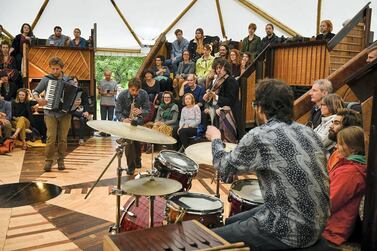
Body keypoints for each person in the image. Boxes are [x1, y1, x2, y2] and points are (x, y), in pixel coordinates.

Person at [205, 78, 329, 250]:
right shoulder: (309, 133)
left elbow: (224, 167)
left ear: (260, 108)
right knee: (233, 220)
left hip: (289, 230)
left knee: (211, 239)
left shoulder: (260, 135)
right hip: (316, 224)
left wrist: (216, 139)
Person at [33, 57, 78, 172]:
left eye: (57, 69)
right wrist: (39, 100)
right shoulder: (46, 79)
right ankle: (48, 160)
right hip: (50, 112)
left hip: (65, 114)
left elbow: (76, 96)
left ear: (62, 68)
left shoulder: (69, 80)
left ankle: (61, 159)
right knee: (51, 137)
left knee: (63, 138)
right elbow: (35, 92)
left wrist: (77, 102)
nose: (54, 71)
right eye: (52, 69)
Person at [322, 126, 366, 245]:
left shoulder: (351, 172)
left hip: (329, 230)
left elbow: (329, 203)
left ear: (354, 148)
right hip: (326, 225)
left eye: (341, 144)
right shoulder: (349, 167)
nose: (336, 147)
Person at [115, 78, 150, 175]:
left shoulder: (144, 94)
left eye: (136, 90)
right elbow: (117, 112)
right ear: (129, 88)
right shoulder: (122, 95)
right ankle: (130, 166)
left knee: (136, 142)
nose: (134, 92)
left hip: (138, 121)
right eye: (132, 90)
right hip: (126, 122)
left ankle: (138, 160)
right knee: (129, 143)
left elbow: (148, 110)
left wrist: (141, 111)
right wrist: (123, 119)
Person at [203, 59, 239, 143]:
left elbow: (230, 100)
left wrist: (215, 96)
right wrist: (208, 96)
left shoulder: (231, 80)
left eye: (220, 68)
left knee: (216, 112)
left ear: (226, 68)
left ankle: (222, 140)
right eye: (216, 68)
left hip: (230, 109)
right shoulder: (219, 80)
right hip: (218, 106)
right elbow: (213, 95)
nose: (218, 70)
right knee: (207, 111)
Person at [71, 76, 90, 145]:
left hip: (80, 110)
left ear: (78, 83)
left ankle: (81, 139)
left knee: (82, 119)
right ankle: (83, 115)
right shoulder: (68, 91)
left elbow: (86, 103)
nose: (74, 84)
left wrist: (86, 111)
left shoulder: (82, 91)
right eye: (72, 83)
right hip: (71, 111)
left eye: (75, 82)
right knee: (82, 115)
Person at [98, 70, 117, 135]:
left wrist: (111, 93)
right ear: (104, 75)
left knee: (110, 118)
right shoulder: (101, 82)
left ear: (111, 75)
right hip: (103, 102)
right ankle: (103, 131)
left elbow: (115, 92)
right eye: (106, 75)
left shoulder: (114, 82)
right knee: (103, 118)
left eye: (109, 75)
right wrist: (103, 93)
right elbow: (99, 92)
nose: (108, 76)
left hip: (111, 103)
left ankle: (109, 132)